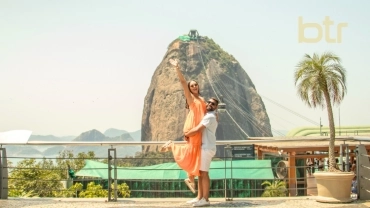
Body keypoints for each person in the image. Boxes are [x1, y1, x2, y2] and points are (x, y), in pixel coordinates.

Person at [160, 58, 207, 193]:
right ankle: (172, 146)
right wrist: (177, 68)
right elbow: (182, 82)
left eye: (195, 85)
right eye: (191, 86)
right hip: (193, 127)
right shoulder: (191, 98)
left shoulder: (202, 99)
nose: (194, 87)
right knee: (193, 150)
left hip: (199, 128)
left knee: (194, 151)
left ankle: (191, 178)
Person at [184, 97, 219, 207]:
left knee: (204, 174)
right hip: (204, 147)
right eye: (208, 102)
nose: (209, 104)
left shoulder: (210, 117)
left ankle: (206, 199)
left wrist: (187, 134)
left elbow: (198, 129)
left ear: (216, 107)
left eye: (212, 104)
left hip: (207, 148)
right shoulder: (209, 115)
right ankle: (199, 197)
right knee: (200, 173)